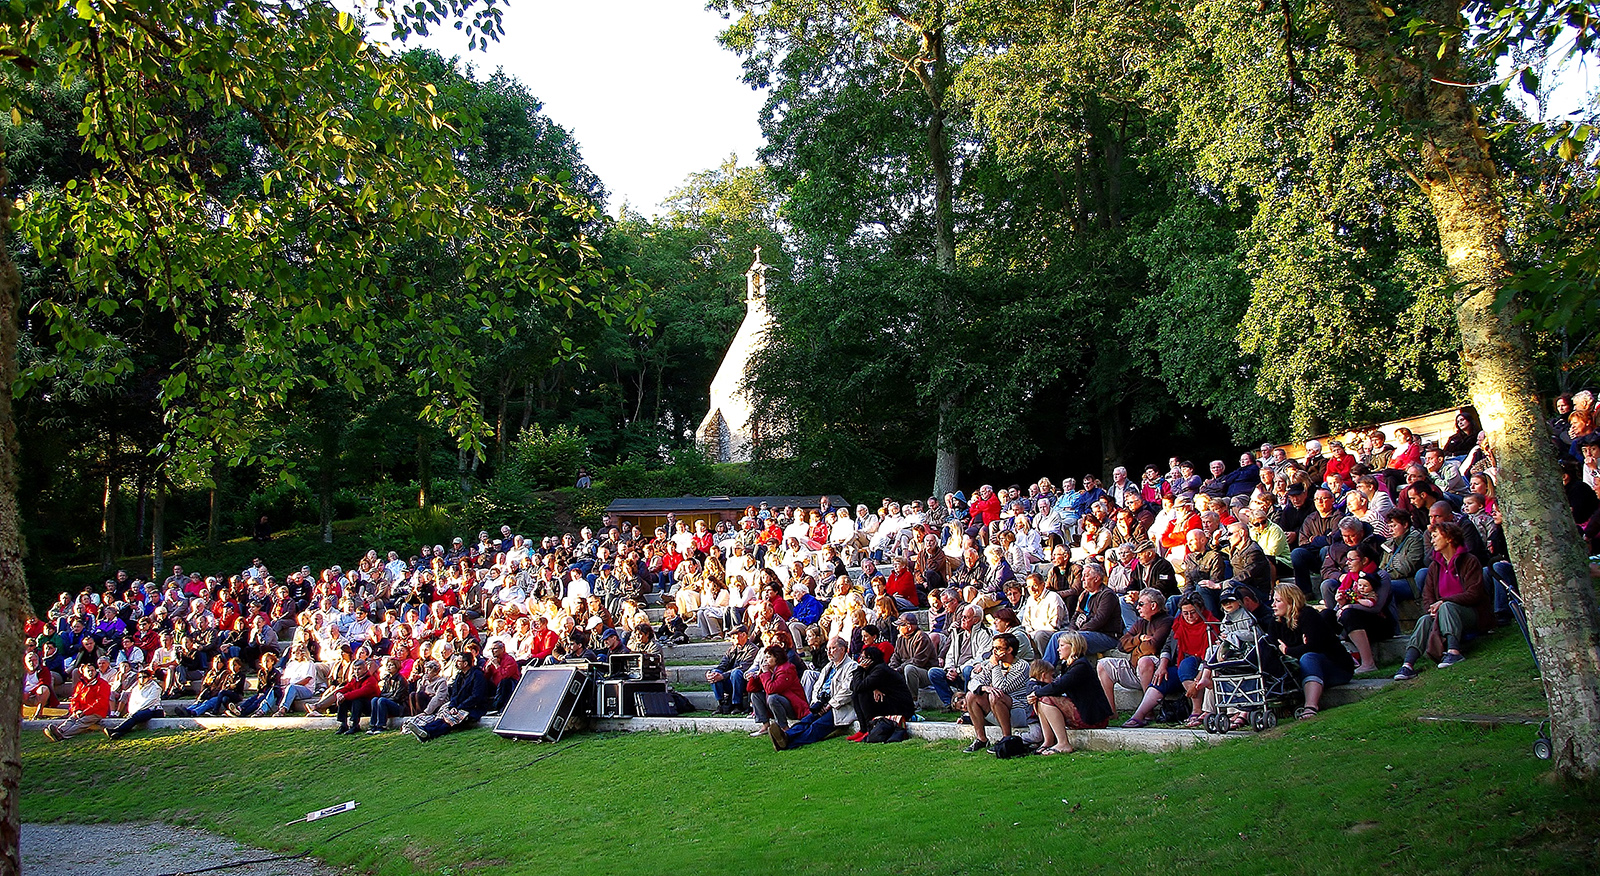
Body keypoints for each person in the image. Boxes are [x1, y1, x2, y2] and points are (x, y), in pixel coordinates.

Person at [1393, 522, 1490, 680]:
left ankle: (1454, 651)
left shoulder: (1470, 561)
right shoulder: (1434, 566)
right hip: (1442, 613)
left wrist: (1443, 602)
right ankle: (1408, 664)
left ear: (1449, 538)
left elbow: (1474, 594)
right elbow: (1427, 595)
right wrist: (1432, 608)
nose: (1432, 541)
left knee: (1447, 606)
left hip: (1470, 613)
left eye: (1435, 536)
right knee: (1425, 619)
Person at [1268, 584, 1353, 718]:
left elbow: (1314, 647)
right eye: (1274, 600)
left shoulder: (1308, 615)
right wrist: (1299, 647)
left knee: (1308, 657)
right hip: (1303, 671)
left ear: (1291, 601)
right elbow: (1274, 650)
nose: (1273, 605)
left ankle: (1310, 707)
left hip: (1336, 667)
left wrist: (1288, 650)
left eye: (1278, 601)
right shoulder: (1275, 622)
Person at [1026, 632, 1112, 755]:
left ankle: (1063, 743)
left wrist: (1036, 693)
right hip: (1083, 711)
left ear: (1073, 647)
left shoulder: (1080, 666)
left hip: (1094, 717)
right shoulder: (1069, 665)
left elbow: (1059, 686)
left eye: (1061, 645)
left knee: (1045, 698)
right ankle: (1048, 741)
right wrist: (1037, 694)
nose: (1058, 649)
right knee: (1041, 698)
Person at [772, 636, 859, 751]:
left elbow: (847, 690)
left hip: (839, 707)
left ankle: (787, 743)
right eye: (828, 649)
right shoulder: (828, 667)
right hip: (821, 704)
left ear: (842, 649)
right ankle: (786, 735)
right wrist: (816, 702)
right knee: (806, 721)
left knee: (816, 727)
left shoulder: (851, 666)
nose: (829, 652)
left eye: (833, 648)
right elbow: (817, 686)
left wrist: (829, 705)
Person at [1101, 589, 1172, 726]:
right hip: (1134, 668)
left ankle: (1148, 711)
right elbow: (1121, 645)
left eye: (1140, 604)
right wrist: (1139, 639)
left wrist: (1135, 649)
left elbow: (1153, 647)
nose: (1137, 607)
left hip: (1155, 672)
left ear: (1153, 605)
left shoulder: (1166, 621)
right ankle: (1111, 713)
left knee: (1144, 660)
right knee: (1103, 664)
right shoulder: (1141, 622)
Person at [961, 632, 1029, 752]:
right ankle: (981, 739)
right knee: (971, 695)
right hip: (996, 710)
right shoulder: (993, 664)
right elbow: (973, 682)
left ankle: (1006, 738)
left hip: (1019, 711)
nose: (994, 652)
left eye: (997, 648)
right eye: (993, 648)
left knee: (996, 695)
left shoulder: (1022, 666)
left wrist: (995, 666)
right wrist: (983, 688)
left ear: (1009, 650)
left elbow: (1002, 687)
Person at [404, 653, 491, 741]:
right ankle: (424, 729)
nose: (456, 663)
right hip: (459, 705)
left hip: (473, 707)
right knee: (443, 714)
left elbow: (476, 696)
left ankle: (428, 733)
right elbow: (454, 694)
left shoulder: (477, 675)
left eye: (458, 661)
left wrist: (459, 707)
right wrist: (453, 706)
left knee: (452, 719)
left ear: (465, 663)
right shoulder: (459, 676)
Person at [747, 644, 808, 738]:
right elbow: (751, 689)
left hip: (793, 706)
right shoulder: (770, 670)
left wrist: (766, 673)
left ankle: (784, 727)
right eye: (765, 657)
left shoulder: (786, 669)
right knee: (755, 695)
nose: (766, 660)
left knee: (773, 698)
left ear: (777, 657)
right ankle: (765, 725)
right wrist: (757, 675)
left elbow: (772, 689)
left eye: (769, 657)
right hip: (778, 704)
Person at [43, 663, 110, 741]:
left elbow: (100, 702)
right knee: (71, 720)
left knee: (81, 722)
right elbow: (75, 699)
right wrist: (76, 710)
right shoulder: (81, 684)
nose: (90, 673)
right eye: (88, 671)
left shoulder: (103, 684)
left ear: (96, 671)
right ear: (84, 673)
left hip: (96, 712)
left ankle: (62, 735)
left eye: (92, 671)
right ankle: (59, 731)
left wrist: (85, 712)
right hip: (81, 711)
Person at [708, 626, 760, 714]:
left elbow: (743, 667)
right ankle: (722, 704)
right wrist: (712, 673)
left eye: (734, 636)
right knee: (715, 673)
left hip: (742, 682)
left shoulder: (752, 649)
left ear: (743, 635)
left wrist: (722, 676)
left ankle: (737, 704)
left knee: (736, 673)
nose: (732, 639)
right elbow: (722, 665)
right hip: (729, 680)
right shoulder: (731, 649)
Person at [104, 668, 163, 740]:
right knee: (135, 717)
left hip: (153, 710)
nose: (142, 679)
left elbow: (150, 702)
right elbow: (132, 701)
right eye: (140, 677)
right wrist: (131, 711)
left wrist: (136, 711)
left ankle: (116, 730)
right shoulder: (136, 688)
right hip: (139, 711)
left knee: (136, 717)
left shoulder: (155, 688)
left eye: (144, 677)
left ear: (149, 677)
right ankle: (118, 734)